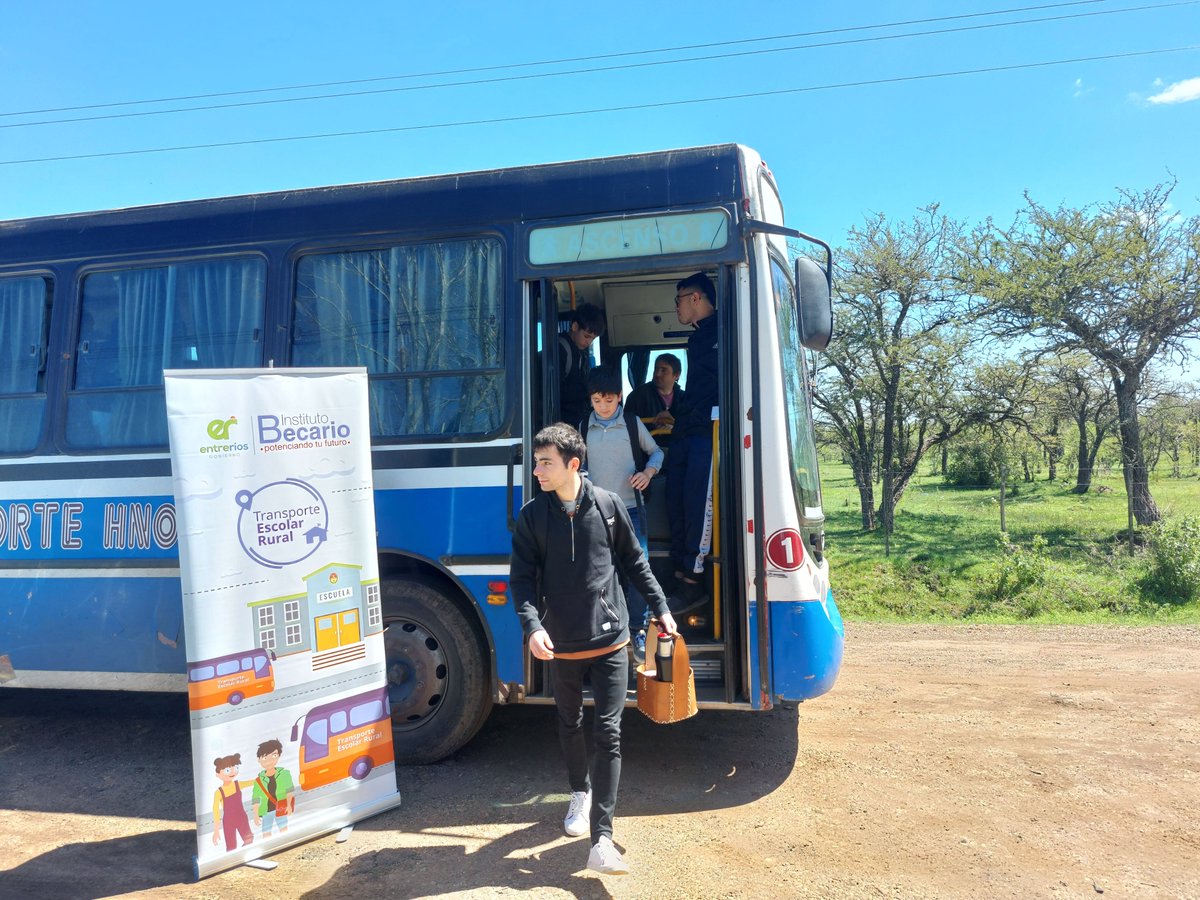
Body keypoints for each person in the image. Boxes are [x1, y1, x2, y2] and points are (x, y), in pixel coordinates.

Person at [509, 423, 677, 876]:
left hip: (610, 640)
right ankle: (578, 793)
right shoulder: (531, 516)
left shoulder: (607, 506)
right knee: (570, 722)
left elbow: (634, 561)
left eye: (546, 462)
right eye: (537, 461)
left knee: (609, 732)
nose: (538, 470)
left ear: (573, 465)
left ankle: (601, 839)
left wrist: (660, 608)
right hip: (561, 643)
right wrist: (531, 627)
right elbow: (522, 581)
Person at [578, 366, 664, 662]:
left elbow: (657, 452)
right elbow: (576, 466)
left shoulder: (631, 423)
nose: (603, 407)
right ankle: (606, 631)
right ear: (590, 399)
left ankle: (638, 628)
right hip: (595, 512)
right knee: (601, 572)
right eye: (597, 401)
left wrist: (648, 473)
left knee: (639, 569)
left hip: (631, 510)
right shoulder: (581, 427)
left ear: (620, 397)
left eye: (609, 401)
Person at [665, 273, 718, 612]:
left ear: (696, 298)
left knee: (699, 504)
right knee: (677, 499)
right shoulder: (697, 339)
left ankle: (693, 580)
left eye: (679, 299)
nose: (677, 307)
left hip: (706, 435)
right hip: (687, 433)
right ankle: (677, 570)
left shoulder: (726, 331)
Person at [558, 302, 606, 426]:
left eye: (593, 339)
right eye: (586, 336)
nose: (588, 342)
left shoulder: (581, 355)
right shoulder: (560, 350)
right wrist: (588, 389)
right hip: (562, 424)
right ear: (574, 326)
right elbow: (556, 392)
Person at [626, 353, 686, 444]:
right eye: (656, 369)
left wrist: (674, 426)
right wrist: (654, 428)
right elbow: (629, 426)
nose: (657, 374)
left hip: (680, 447)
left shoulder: (685, 398)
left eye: (663, 370)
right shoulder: (638, 396)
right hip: (648, 450)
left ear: (676, 375)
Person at [251, 738, 296, 837]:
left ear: (279, 756)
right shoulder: (258, 780)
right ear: (259, 760)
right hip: (266, 811)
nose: (270, 760)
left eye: (274, 755)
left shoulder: (284, 774)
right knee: (266, 833)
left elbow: (289, 791)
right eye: (265, 757)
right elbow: (255, 799)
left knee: (284, 830)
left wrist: (289, 805)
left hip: (281, 807)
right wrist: (255, 814)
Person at [211, 753, 253, 852]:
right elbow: (216, 812)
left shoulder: (238, 784)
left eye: (236, 768)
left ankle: (245, 855)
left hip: (241, 817)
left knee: (249, 839)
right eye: (227, 770)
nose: (233, 772)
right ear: (218, 774)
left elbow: (254, 782)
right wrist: (216, 830)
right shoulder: (218, 792)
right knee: (231, 847)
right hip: (228, 821)